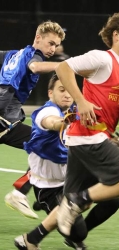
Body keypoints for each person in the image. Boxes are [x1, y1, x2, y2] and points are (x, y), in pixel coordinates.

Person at [55, 11, 119, 237]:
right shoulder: (101, 58)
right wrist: (81, 101)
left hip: (98, 139)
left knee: (75, 227)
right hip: (87, 136)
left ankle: (31, 238)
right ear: (116, 35)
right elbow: (63, 68)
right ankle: (66, 200)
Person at [14, 74, 119, 250]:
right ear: (50, 93)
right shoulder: (47, 111)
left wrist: (112, 142)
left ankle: (70, 229)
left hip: (72, 180)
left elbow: (89, 138)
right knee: (78, 232)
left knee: (112, 200)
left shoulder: (76, 113)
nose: (66, 94)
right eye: (61, 90)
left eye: (69, 90)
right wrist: (63, 122)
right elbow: (52, 122)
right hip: (49, 187)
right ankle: (33, 237)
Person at [1, 20, 66, 219]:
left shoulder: (12, 55)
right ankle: (22, 193)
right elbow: (36, 67)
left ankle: (30, 193)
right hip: (4, 122)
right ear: (38, 38)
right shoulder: (33, 55)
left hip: (7, 122)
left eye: (56, 45)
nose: (53, 48)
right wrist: (66, 66)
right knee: (46, 143)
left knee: (43, 145)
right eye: (50, 43)